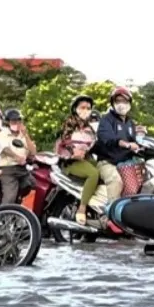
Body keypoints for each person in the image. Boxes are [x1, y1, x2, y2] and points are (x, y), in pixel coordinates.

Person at [56, 95, 100, 224]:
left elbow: (94, 144)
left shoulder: (89, 128)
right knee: (93, 174)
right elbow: (64, 141)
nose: (85, 110)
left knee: (106, 169)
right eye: (82, 107)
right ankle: (82, 208)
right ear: (75, 108)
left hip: (84, 159)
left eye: (88, 108)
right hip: (70, 161)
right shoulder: (69, 123)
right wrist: (73, 152)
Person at [95, 86, 140, 202]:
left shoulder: (130, 123)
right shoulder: (106, 120)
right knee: (116, 181)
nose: (121, 104)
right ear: (113, 103)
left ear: (129, 104)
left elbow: (134, 141)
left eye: (124, 101)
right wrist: (127, 145)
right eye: (118, 101)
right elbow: (108, 139)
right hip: (107, 163)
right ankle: (111, 215)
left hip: (124, 163)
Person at [0, 109, 37, 204]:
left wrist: (26, 135)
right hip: (8, 169)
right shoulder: (3, 134)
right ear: (8, 122)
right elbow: (5, 149)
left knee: (35, 185)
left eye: (19, 121)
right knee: (10, 197)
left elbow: (33, 151)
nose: (17, 123)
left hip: (22, 169)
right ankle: (3, 216)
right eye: (14, 121)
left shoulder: (23, 135)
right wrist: (17, 157)